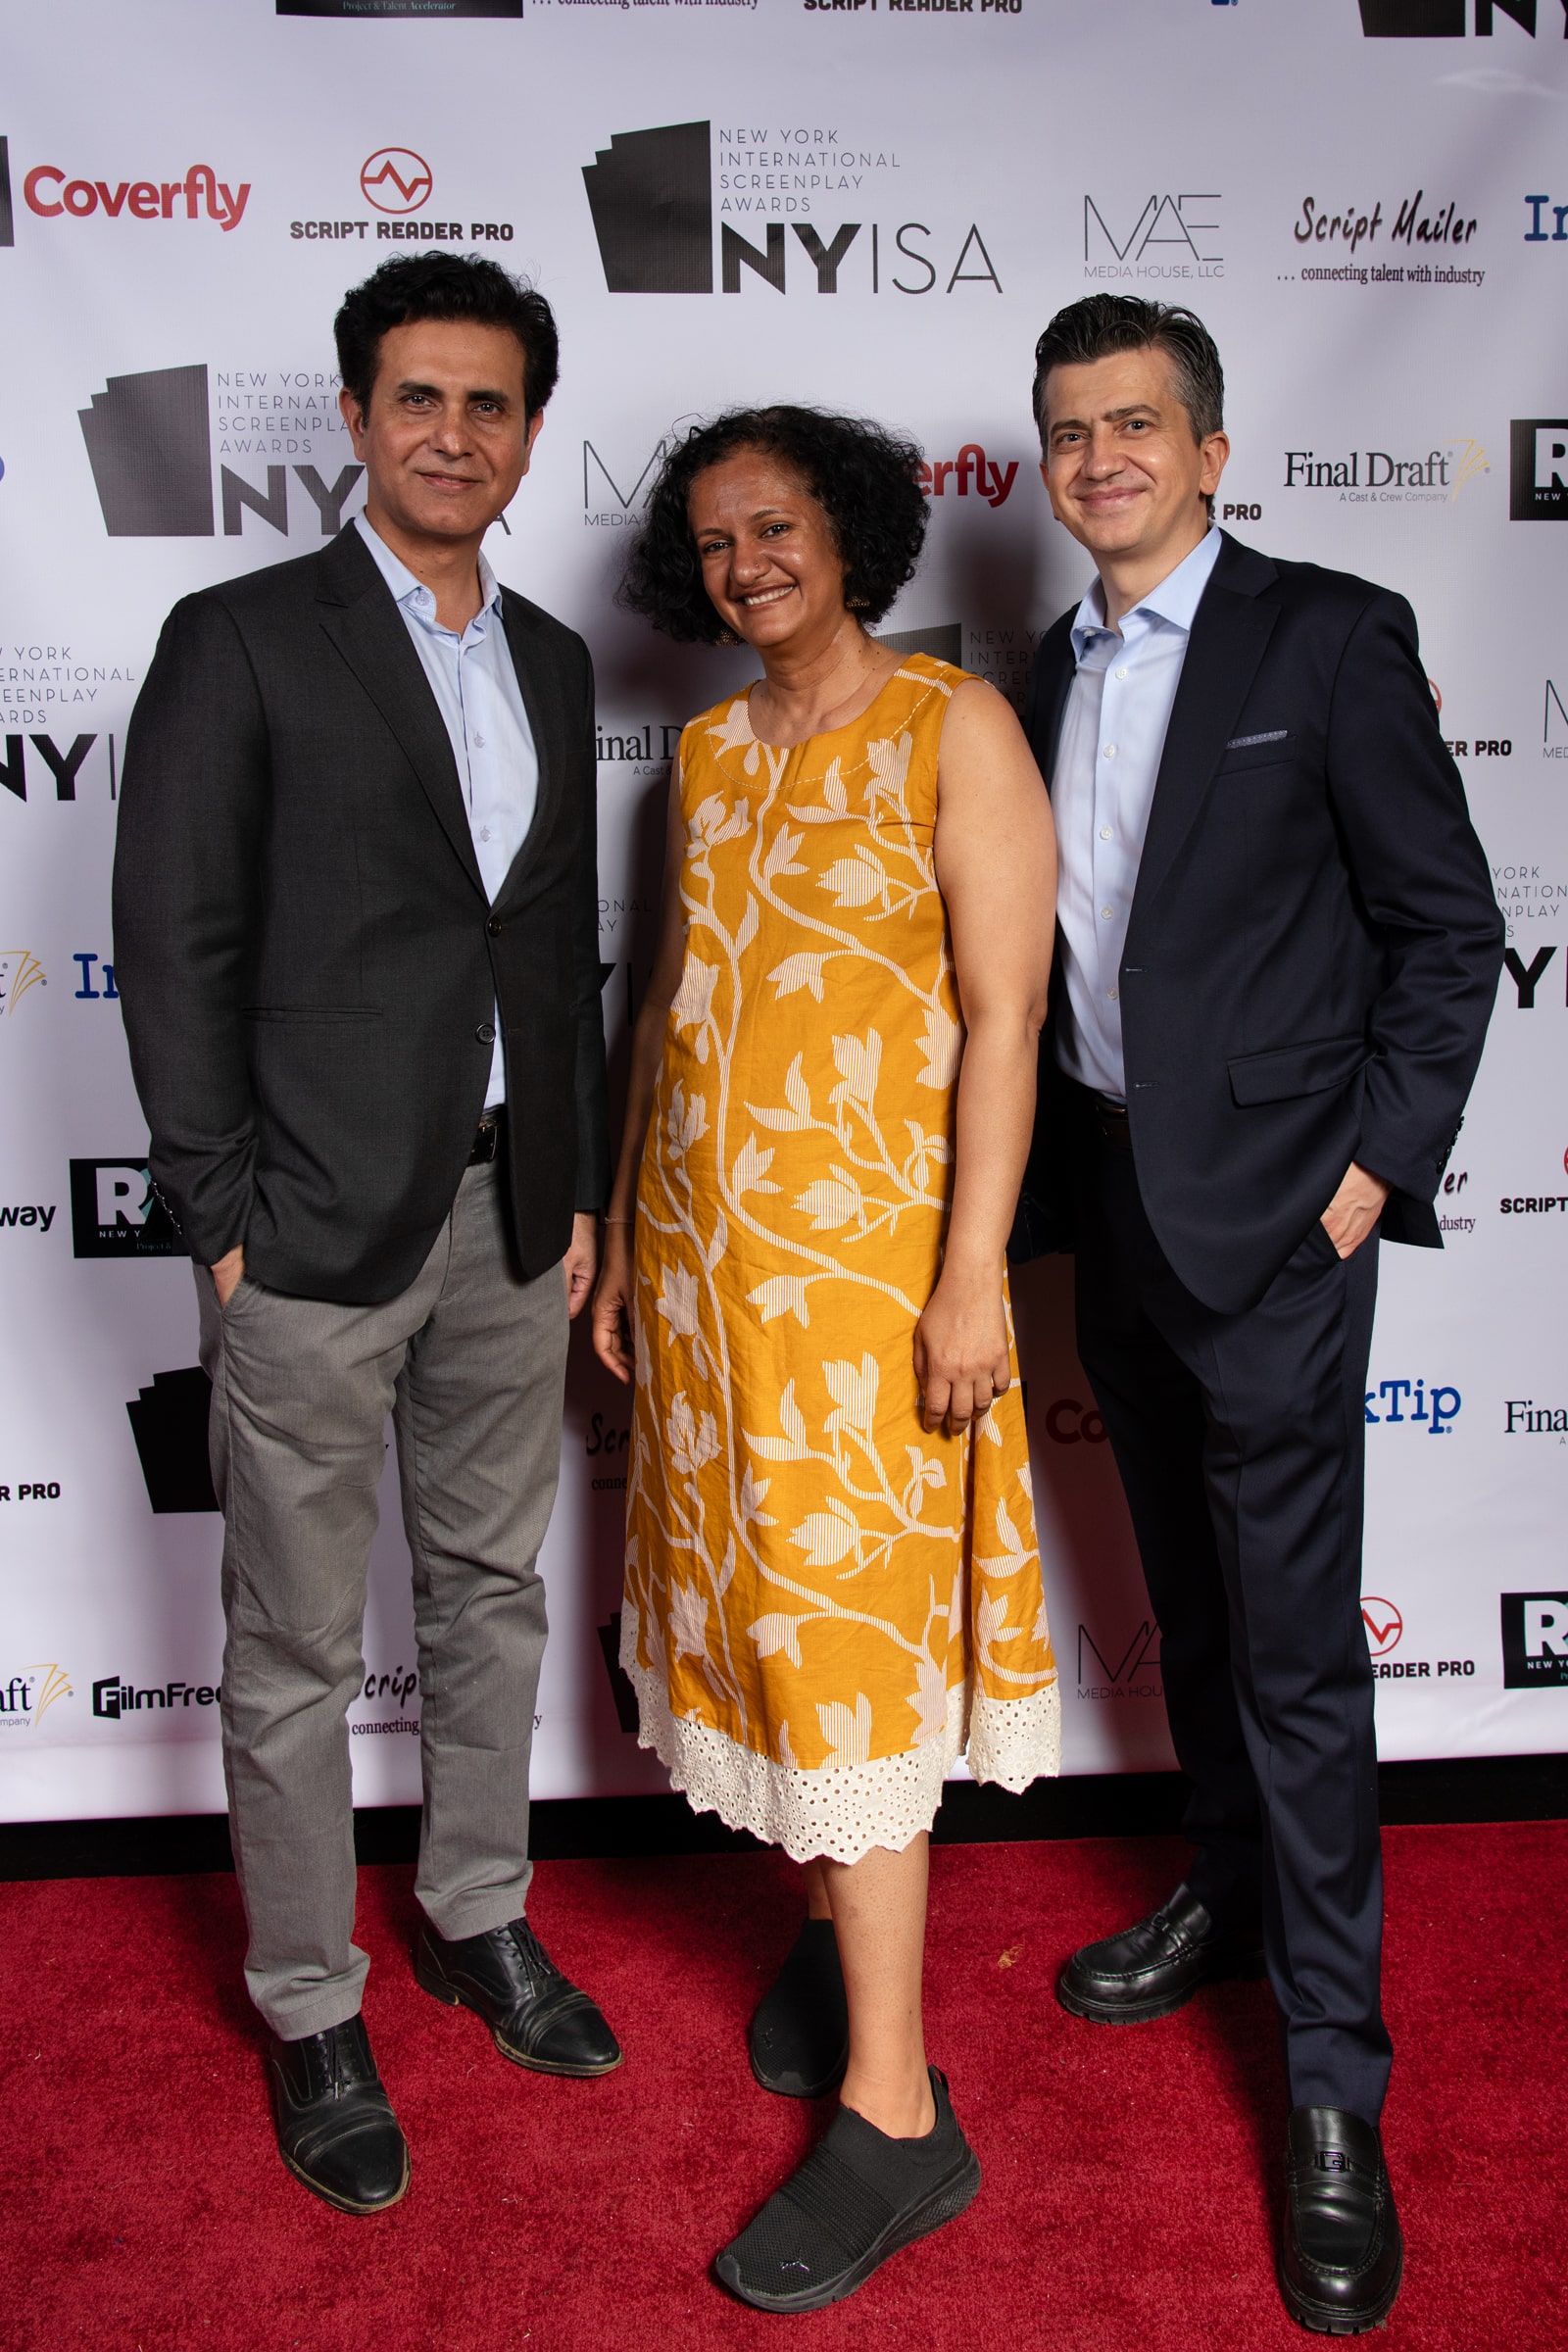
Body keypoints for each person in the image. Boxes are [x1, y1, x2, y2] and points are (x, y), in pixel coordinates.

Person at [1012, 295, 1503, 2334]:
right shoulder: (1039, 670)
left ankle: (1330, 2089)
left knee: (1298, 1656)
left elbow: (1445, 926)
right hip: (1110, 1207)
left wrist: (1369, 1176)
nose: (1100, 459)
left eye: (1135, 424)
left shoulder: (1327, 637)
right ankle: (1223, 1887)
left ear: (1209, 452)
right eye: (1069, 432)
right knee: (1197, 1615)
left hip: (1284, 1229)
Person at [113, 252, 621, 2217]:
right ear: (353, 417)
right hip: (310, 1229)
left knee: (491, 1591)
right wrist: (221, 1218)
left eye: (488, 403)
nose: (451, 433)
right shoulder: (239, 638)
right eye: (417, 397)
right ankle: (311, 2000)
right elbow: (175, 943)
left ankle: (476, 1910)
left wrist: (574, 1184)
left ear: (528, 433)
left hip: (511, 1209)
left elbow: (548, 953)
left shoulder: (555, 659)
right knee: (295, 1645)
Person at [591, 407, 1059, 2310]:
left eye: (776, 526)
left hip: (870, 1295)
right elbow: (670, 1011)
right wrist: (628, 1234)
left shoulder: (955, 726)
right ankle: (825, 1940)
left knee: (847, 1656)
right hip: (710, 1296)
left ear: (851, 532)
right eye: (715, 541)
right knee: (762, 1628)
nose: (747, 564)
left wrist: (972, 1279)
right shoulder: (703, 756)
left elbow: (1006, 1018)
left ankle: (896, 2113)